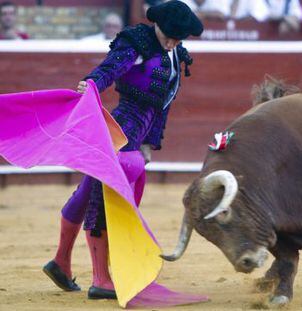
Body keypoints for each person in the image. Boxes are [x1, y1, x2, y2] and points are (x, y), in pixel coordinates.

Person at [42, 0, 203, 300]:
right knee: (103, 195)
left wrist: (149, 142)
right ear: (157, 25)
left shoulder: (176, 55)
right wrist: (91, 83)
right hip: (120, 129)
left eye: (178, 38)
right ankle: (101, 279)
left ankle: (61, 262)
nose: (172, 42)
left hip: (137, 133)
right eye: (169, 35)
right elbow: (110, 69)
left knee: (90, 189)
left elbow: (162, 106)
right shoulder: (137, 42)